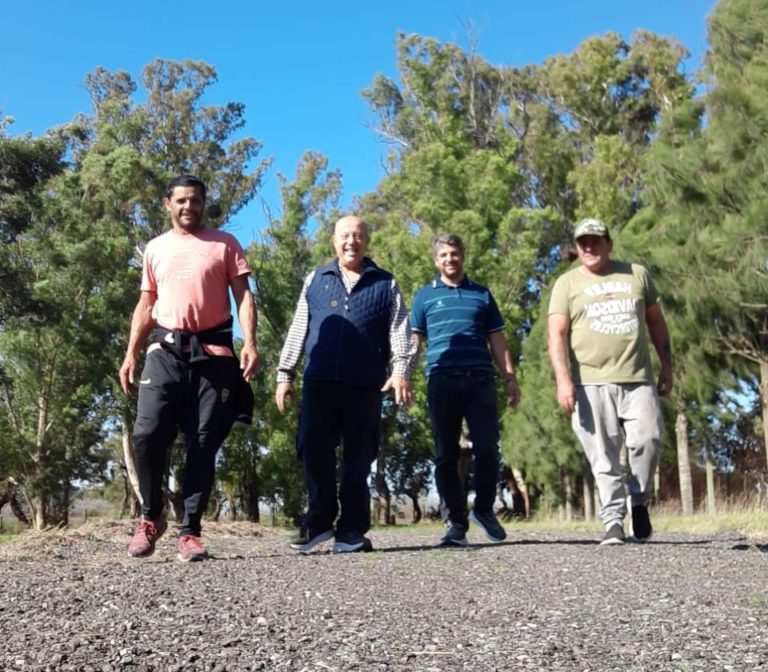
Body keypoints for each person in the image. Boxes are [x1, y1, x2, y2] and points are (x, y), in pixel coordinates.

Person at [119, 175, 258, 562]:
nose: (188, 207)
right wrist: (131, 353)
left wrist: (250, 342)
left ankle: (190, 532)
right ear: (168, 203)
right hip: (164, 351)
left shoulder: (225, 244)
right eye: (181, 200)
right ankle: (151, 518)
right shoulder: (155, 248)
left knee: (202, 443)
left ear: (203, 203)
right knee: (146, 434)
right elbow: (146, 305)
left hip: (214, 354)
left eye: (195, 200)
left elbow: (244, 297)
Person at [276, 215, 414, 553]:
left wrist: (401, 372)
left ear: (367, 241)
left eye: (358, 236)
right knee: (312, 447)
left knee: (358, 455)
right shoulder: (316, 278)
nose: (351, 242)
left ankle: (351, 530)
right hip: (319, 380)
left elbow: (401, 332)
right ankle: (319, 524)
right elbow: (299, 327)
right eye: (344, 236)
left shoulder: (386, 283)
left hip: (364, 384)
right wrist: (285, 374)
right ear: (333, 241)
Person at [547, 218, 672, 545]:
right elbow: (556, 334)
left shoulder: (636, 274)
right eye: (582, 242)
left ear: (609, 243)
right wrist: (563, 381)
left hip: (637, 379)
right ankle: (613, 522)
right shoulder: (567, 284)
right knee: (603, 456)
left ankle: (640, 499)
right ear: (576, 247)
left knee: (649, 439)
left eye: (596, 240)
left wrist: (667, 366)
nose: (589, 246)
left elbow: (656, 322)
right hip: (589, 383)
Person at [411, 234, 521, 547]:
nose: (450, 259)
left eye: (455, 253)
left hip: (481, 381)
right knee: (445, 454)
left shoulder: (482, 295)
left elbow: (497, 340)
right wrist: (402, 376)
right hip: (441, 380)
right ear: (436, 261)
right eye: (444, 255)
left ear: (463, 256)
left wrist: (510, 377)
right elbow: (415, 343)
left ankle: (483, 510)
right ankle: (455, 523)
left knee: (487, 448)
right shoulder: (424, 298)